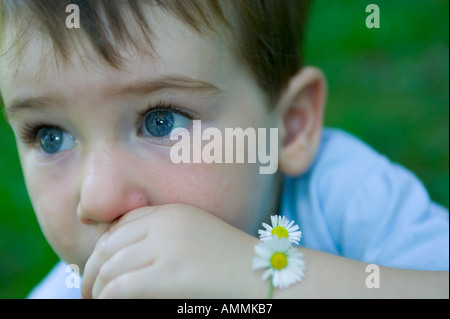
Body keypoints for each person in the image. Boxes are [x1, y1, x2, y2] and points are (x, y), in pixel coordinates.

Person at [0, 0, 447, 299]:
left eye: (162, 121)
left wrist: (267, 277)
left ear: (289, 128)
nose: (98, 198)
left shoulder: (347, 200)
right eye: (50, 135)